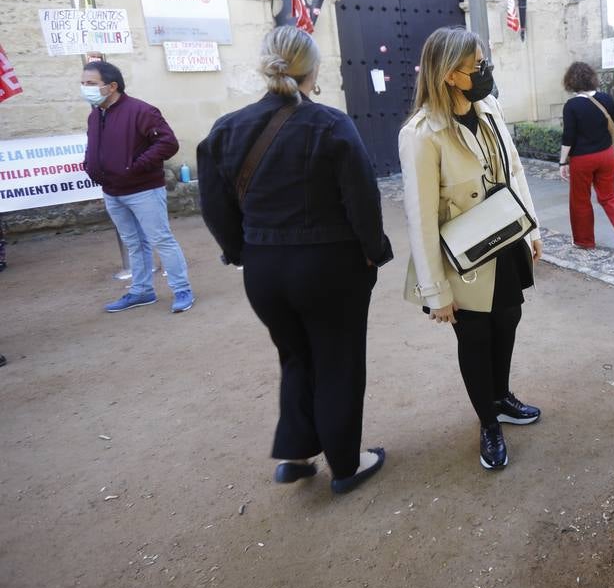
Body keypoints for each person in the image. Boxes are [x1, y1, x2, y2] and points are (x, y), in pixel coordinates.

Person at [198, 26, 392, 494]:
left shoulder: (226, 128)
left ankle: (296, 452)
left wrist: (240, 252)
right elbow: (362, 200)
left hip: (265, 269)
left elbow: (213, 204)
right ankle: (346, 462)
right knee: (338, 360)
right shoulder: (330, 124)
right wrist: (374, 252)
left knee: (295, 357)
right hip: (329, 266)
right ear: (314, 69)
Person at [399, 27, 543, 472]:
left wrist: (532, 228)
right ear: (448, 75)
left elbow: (514, 168)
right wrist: (435, 292)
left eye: (484, 62)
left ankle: (501, 398)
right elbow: (421, 217)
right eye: (476, 66)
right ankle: (488, 423)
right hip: (463, 258)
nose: (485, 72)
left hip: (506, 239)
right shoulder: (422, 134)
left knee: (509, 320)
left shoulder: (489, 106)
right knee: (476, 337)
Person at [81, 60, 195, 314]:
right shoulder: (95, 114)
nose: (84, 88)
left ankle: (182, 289)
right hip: (112, 191)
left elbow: (168, 143)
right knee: (134, 243)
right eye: (83, 83)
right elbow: (93, 146)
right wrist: (90, 165)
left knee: (161, 239)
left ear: (111, 86)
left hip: (143, 190)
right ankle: (142, 291)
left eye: (90, 83)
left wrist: (135, 166)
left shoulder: (141, 111)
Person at [558, 61, 614, 248]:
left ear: (570, 81)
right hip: (607, 155)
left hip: (582, 160)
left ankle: (584, 241)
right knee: (610, 197)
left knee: (580, 200)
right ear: (591, 78)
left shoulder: (571, 106)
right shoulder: (605, 98)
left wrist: (562, 163)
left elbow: (569, 137)